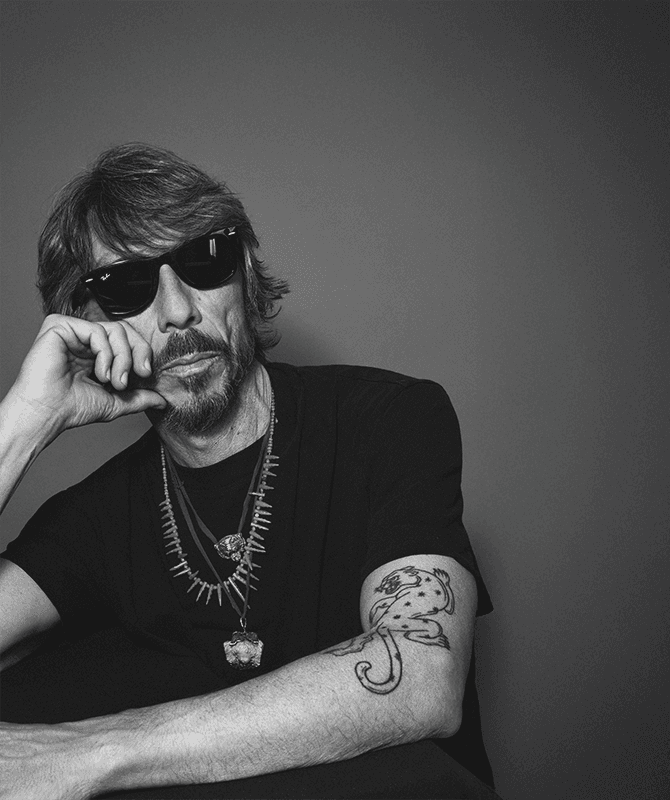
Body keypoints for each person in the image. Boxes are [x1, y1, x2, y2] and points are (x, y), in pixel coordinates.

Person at [0, 144, 498, 800]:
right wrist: (24, 422)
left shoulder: (389, 418)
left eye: (204, 260)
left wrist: (89, 753)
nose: (178, 310)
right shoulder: (91, 518)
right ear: (84, 325)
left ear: (244, 277)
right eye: (126, 286)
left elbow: (420, 675)